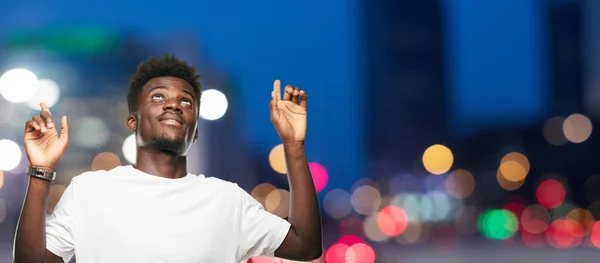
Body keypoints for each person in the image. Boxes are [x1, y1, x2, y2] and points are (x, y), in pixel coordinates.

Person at [13, 55, 323, 263]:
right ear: (132, 121)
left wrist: (293, 146)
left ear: (196, 130)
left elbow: (306, 245)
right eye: (158, 97)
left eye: (185, 101)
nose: (173, 105)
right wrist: (41, 170)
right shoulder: (89, 191)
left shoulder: (227, 199)